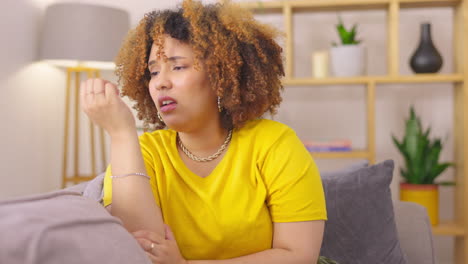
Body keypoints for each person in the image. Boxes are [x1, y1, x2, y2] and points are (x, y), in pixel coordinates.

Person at [80, 0, 327, 263]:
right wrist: (121, 134)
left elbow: (300, 256)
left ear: (221, 75)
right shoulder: (143, 152)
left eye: (178, 66)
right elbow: (140, 251)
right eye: (153, 72)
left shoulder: (275, 144)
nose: (161, 83)